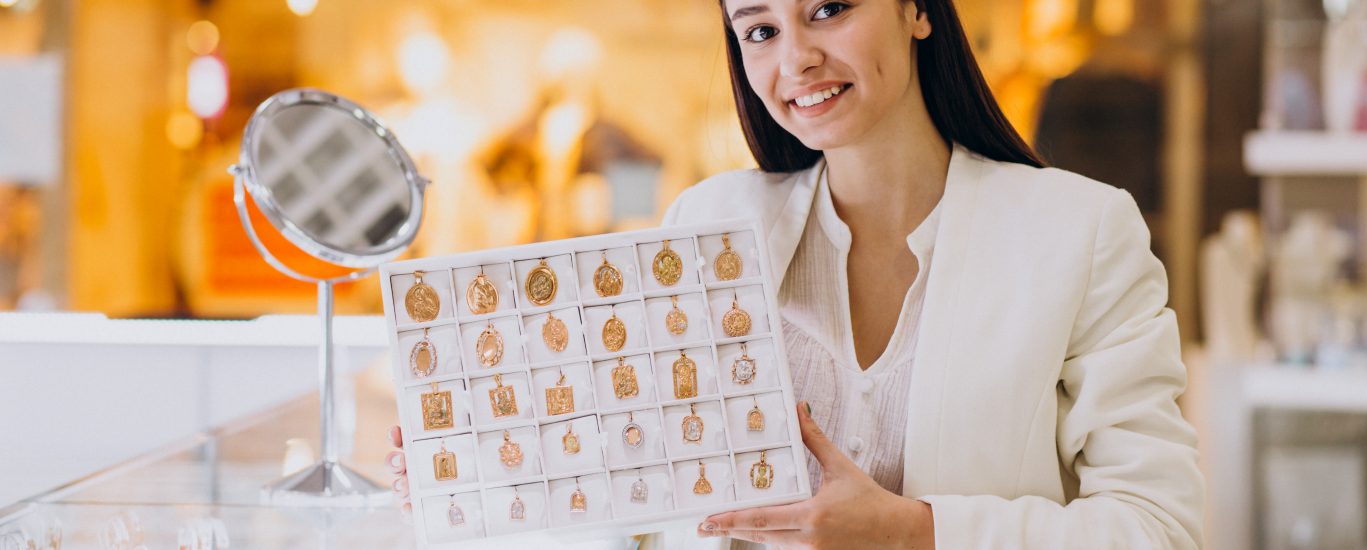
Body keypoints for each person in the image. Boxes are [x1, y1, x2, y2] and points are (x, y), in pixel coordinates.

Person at [387, 0, 1204, 547]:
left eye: (829, 9)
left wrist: (915, 530)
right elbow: (637, 502)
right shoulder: (706, 227)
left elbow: (1160, 526)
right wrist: (484, 475)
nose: (798, 57)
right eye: (760, 31)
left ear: (917, 9)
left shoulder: (1078, 233)